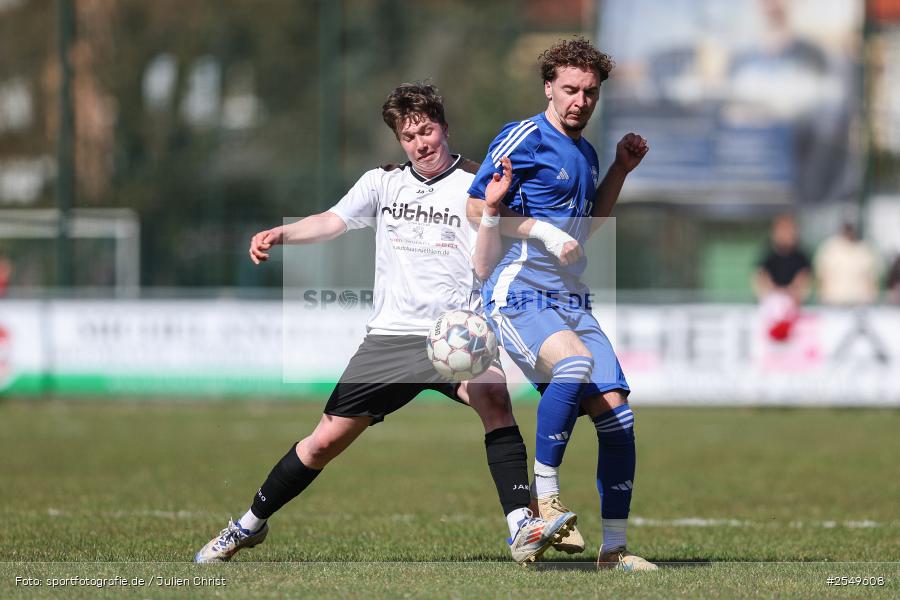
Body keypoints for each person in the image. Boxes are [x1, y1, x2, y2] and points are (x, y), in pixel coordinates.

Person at [194, 83, 574, 565]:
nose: (420, 143)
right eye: (409, 136)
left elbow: (485, 264)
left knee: (494, 396)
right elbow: (333, 221)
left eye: (427, 130)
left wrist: (494, 212)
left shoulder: (477, 184)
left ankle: (522, 525)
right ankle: (248, 525)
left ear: (445, 127)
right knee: (323, 442)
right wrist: (281, 233)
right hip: (390, 338)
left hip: (455, 335)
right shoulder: (382, 182)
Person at [466, 37, 656, 571]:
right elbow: (476, 206)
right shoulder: (524, 136)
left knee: (618, 418)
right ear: (548, 86)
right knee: (573, 365)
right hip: (519, 289)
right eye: (570, 89)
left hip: (569, 296)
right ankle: (545, 500)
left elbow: (585, 229)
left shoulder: (586, 153)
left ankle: (614, 550)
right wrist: (545, 233)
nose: (580, 100)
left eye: (590, 92)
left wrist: (619, 169)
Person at [753, 214, 811, 341]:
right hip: (772, 301)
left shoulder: (800, 255)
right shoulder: (768, 253)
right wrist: (772, 291)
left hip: (793, 302)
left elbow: (804, 277)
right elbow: (760, 275)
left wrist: (793, 292)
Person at [814, 222, 880, 306]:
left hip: (860, 303)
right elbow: (821, 275)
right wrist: (822, 296)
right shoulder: (829, 248)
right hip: (833, 302)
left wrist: (871, 298)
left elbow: (871, 278)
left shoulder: (864, 250)